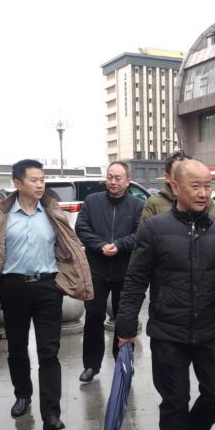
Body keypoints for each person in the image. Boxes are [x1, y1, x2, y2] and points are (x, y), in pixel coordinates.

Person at [117, 159, 215, 430]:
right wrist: (126, 328)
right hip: (168, 331)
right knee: (174, 401)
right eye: (195, 186)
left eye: (208, 186)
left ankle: (196, 429)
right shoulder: (154, 228)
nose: (203, 193)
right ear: (175, 187)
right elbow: (135, 281)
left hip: (210, 328)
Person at [0, 160, 93, 430]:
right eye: (34, 180)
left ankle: (51, 414)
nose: (40, 185)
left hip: (48, 288)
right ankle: (22, 394)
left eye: (42, 179)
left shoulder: (53, 213)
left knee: (49, 352)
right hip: (12, 288)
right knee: (16, 348)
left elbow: (71, 249)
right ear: (17, 184)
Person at [74, 161, 143, 382]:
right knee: (94, 315)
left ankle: (122, 362)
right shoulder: (92, 201)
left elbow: (140, 233)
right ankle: (91, 365)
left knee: (123, 318)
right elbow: (81, 228)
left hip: (125, 270)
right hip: (97, 268)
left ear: (127, 181)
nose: (113, 182)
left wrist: (120, 245)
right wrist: (100, 245)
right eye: (109, 177)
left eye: (118, 178)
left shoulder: (137, 205)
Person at [140, 151, 215, 221]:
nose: (202, 194)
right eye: (178, 173)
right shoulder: (153, 203)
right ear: (167, 177)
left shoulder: (206, 202)